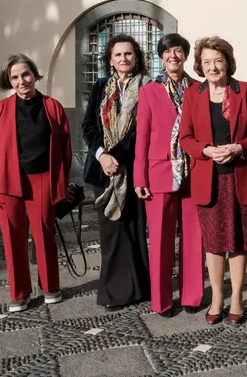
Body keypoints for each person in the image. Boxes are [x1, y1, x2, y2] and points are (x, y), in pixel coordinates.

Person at [0, 54, 72, 312]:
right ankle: (19, 293)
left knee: (44, 233)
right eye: (15, 77)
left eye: (25, 74)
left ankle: (51, 287)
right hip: (7, 181)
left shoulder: (52, 107)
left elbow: (65, 147)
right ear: (9, 81)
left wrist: (62, 183)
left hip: (42, 178)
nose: (22, 81)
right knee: (12, 237)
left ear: (34, 75)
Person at [180, 36, 247, 325]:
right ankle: (217, 297)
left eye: (218, 60)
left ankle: (238, 297)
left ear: (228, 62)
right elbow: (185, 138)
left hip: (241, 177)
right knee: (214, 244)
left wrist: (240, 147)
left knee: (237, 242)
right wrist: (204, 150)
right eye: (207, 62)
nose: (213, 67)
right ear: (200, 66)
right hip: (209, 180)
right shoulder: (193, 95)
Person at [134, 34, 205, 317]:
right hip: (159, 171)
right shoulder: (150, 90)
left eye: (178, 51)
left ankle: (192, 295)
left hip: (193, 170)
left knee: (194, 236)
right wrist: (140, 178)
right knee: (161, 240)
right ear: (160, 57)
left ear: (186, 56)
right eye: (167, 51)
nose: (173, 56)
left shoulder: (199, 89)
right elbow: (142, 137)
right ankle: (161, 300)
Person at [82, 34, 152, 310]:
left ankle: (139, 288)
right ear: (109, 60)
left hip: (133, 169)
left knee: (134, 230)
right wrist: (102, 155)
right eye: (118, 55)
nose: (124, 59)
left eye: (129, 54)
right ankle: (113, 291)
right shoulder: (101, 87)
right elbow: (88, 126)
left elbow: (141, 129)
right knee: (111, 232)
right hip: (103, 171)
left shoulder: (147, 87)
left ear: (137, 58)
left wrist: (117, 157)